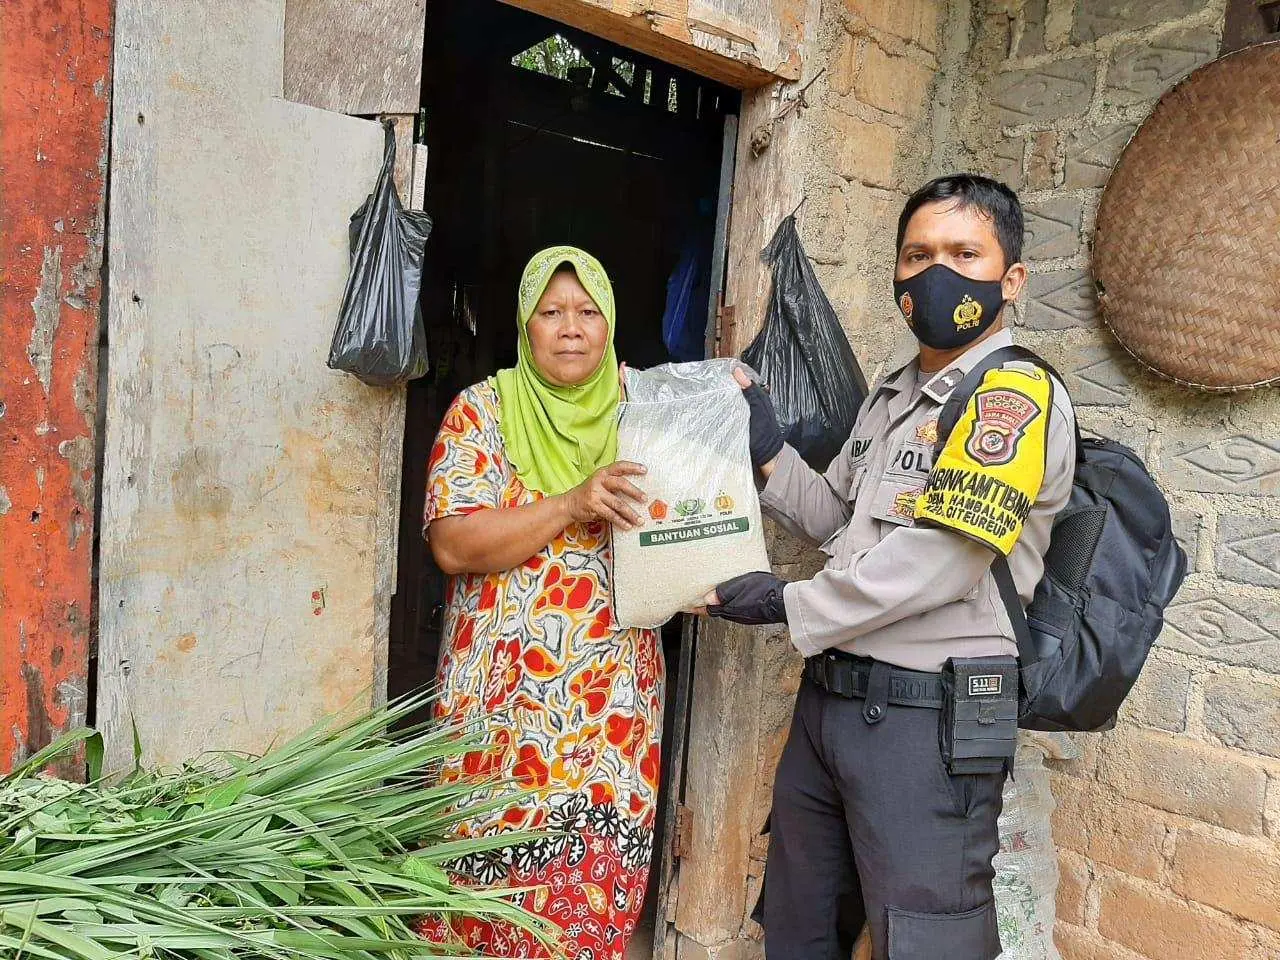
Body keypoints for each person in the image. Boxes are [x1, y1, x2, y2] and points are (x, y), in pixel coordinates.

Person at [702, 175, 1077, 960]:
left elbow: (943, 559)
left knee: (924, 937)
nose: (937, 271)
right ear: (899, 278)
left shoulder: (1012, 396)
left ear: (1010, 280)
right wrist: (767, 449)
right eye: (919, 254)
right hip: (830, 708)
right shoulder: (894, 394)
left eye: (964, 253)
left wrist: (785, 601)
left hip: (927, 723)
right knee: (803, 924)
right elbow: (838, 518)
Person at [416, 246, 663, 960]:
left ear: (610, 322)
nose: (571, 328)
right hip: (498, 712)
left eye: (588, 312)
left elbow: (693, 518)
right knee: (480, 893)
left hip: (609, 717)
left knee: (585, 894)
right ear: (526, 327)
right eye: (551, 313)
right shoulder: (482, 413)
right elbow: (455, 545)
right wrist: (571, 502)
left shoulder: (645, 412)